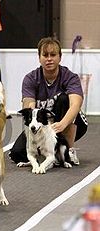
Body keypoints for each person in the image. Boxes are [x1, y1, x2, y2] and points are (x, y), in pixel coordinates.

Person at [9, 37, 88, 166]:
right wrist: (37, 126)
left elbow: (75, 104)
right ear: (39, 57)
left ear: (60, 57)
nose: (49, 59)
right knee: (17, 154)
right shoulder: (30, 78)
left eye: (53, 55)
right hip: (44, 124)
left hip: (69, 120)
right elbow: (28, 105)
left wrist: (62, 124)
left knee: (63, 99)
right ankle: (48, 152)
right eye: (45, 55)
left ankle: (68, 151)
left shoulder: (70, 77)